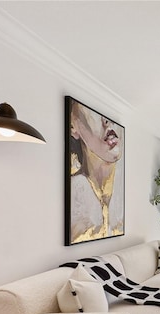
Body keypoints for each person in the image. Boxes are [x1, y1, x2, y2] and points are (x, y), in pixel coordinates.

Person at [68, 99, 124, 244]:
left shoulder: (123, 191)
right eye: (94, 115)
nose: (106, 122)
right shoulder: (75, 193)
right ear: (73, 127)